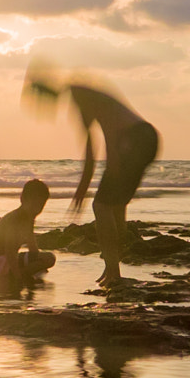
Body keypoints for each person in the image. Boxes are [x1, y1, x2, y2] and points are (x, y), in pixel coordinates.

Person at [24, 70, 159, 287]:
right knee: (115, 207)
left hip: (135, 140)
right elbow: (89, 149)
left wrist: (113, 156)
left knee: (102, 206)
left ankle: (114, 272)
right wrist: (82, 188)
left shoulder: (78, 91)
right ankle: (112, 268)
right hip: (148, 139)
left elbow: (108, 120)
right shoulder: (76, 98)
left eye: (42, 97)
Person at [0, 178, 55, 296]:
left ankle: (19, 273)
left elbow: (32, 245)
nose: (37, 209)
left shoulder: (29, 218)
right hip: (0, 261)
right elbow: (9, 250)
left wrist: (39, 264)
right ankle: (20, 275)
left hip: (7, 260)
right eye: (34, 204)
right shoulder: (15, 219)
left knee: (48, 259)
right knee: (50, 257)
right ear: (23, 199)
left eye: (41, 206)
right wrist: (18, 276)